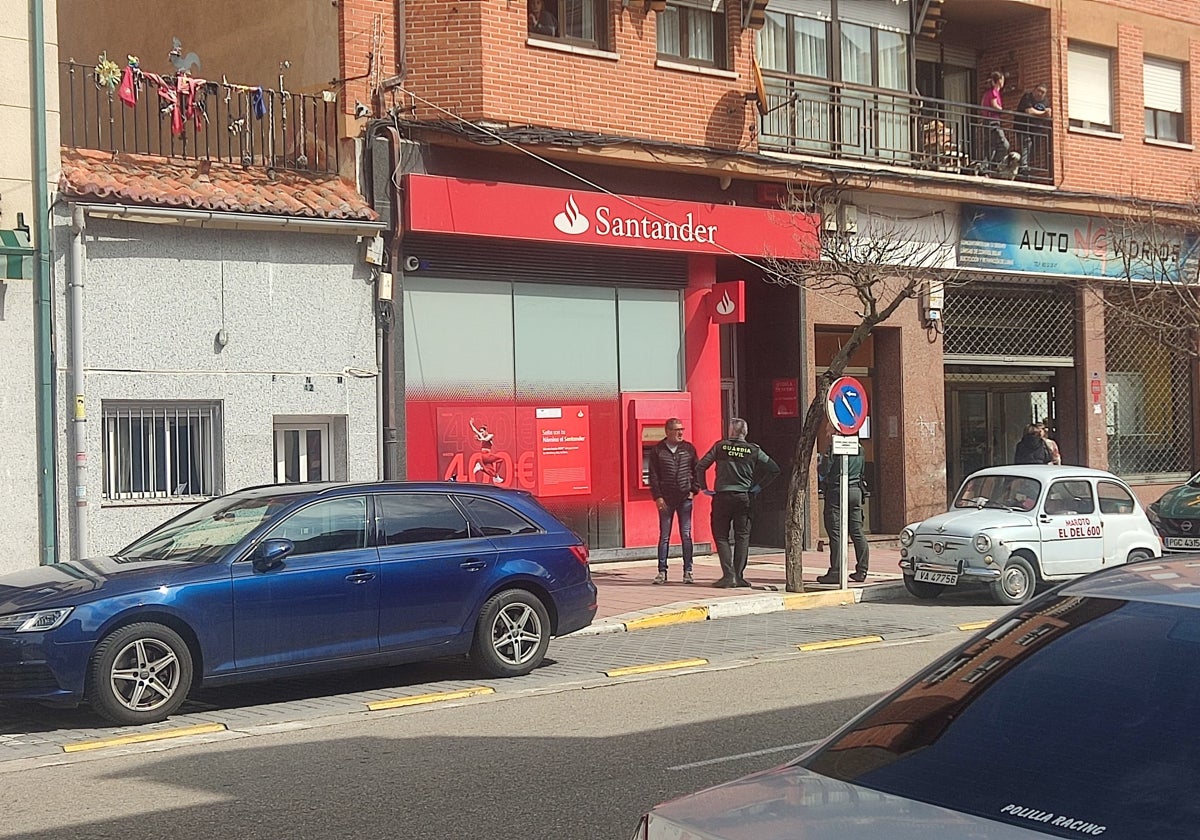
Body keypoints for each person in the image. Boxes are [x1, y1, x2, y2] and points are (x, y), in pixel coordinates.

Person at [697, 418, 780, 588]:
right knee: (742, 536)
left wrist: (705, 488)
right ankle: (739, 576)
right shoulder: (753, 450)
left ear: (731, 431)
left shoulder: (720, 447)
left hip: (722, 496)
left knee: (721, 535)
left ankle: (728, 576)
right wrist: (757, 487)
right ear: (745, 432)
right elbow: (774, 469)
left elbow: (700, 466)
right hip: (744, 497)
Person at [647, 418, 700, 585]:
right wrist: (658, 497)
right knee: (664, 536)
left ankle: (688, 571)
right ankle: (662, 572)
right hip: (666, 500)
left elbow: (697, 470)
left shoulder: (689, 449)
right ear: (667, 431)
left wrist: (693, 491)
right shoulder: (658, 451)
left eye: (681, 429)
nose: (680, 432)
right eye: (677, 430)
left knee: (686, 535)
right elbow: (653, 476)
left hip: (685, 498)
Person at [817, 427, 869, 584]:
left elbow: (825, 470)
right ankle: (862, 570)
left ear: (837, 432)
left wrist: (821, 464)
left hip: (837, 491)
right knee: (857, 531)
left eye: (829, 431)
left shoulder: (834, 447)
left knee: (836, 533)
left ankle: (836, 572)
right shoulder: (859, 447)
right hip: (855, 490)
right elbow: (862, 469)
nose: (827, 434)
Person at [980, 71, 1013, 173]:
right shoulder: (993, 92)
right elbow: (994, 105)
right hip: (992, 122)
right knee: (1004, 144)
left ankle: (987, 167)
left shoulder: (988, 93)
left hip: (988, 121)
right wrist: (1003, 110)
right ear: (999, 81)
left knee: (991, 146)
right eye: (1002, 80)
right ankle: (994, 164)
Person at [1015, 83, 1051, 176]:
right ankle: (1024, 166)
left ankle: (1027, 165)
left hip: (1036, 130)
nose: (1040, 94)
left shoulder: (1045, 101)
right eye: (1039, 91)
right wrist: (1043, 114)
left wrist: (1046, 114)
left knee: (1034, 148)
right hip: (1023, 127)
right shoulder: (1027, 97)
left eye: (1043, 92)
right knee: (1026, 144)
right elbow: (1029, 111)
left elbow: (1048, 114)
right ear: (1034, 90)